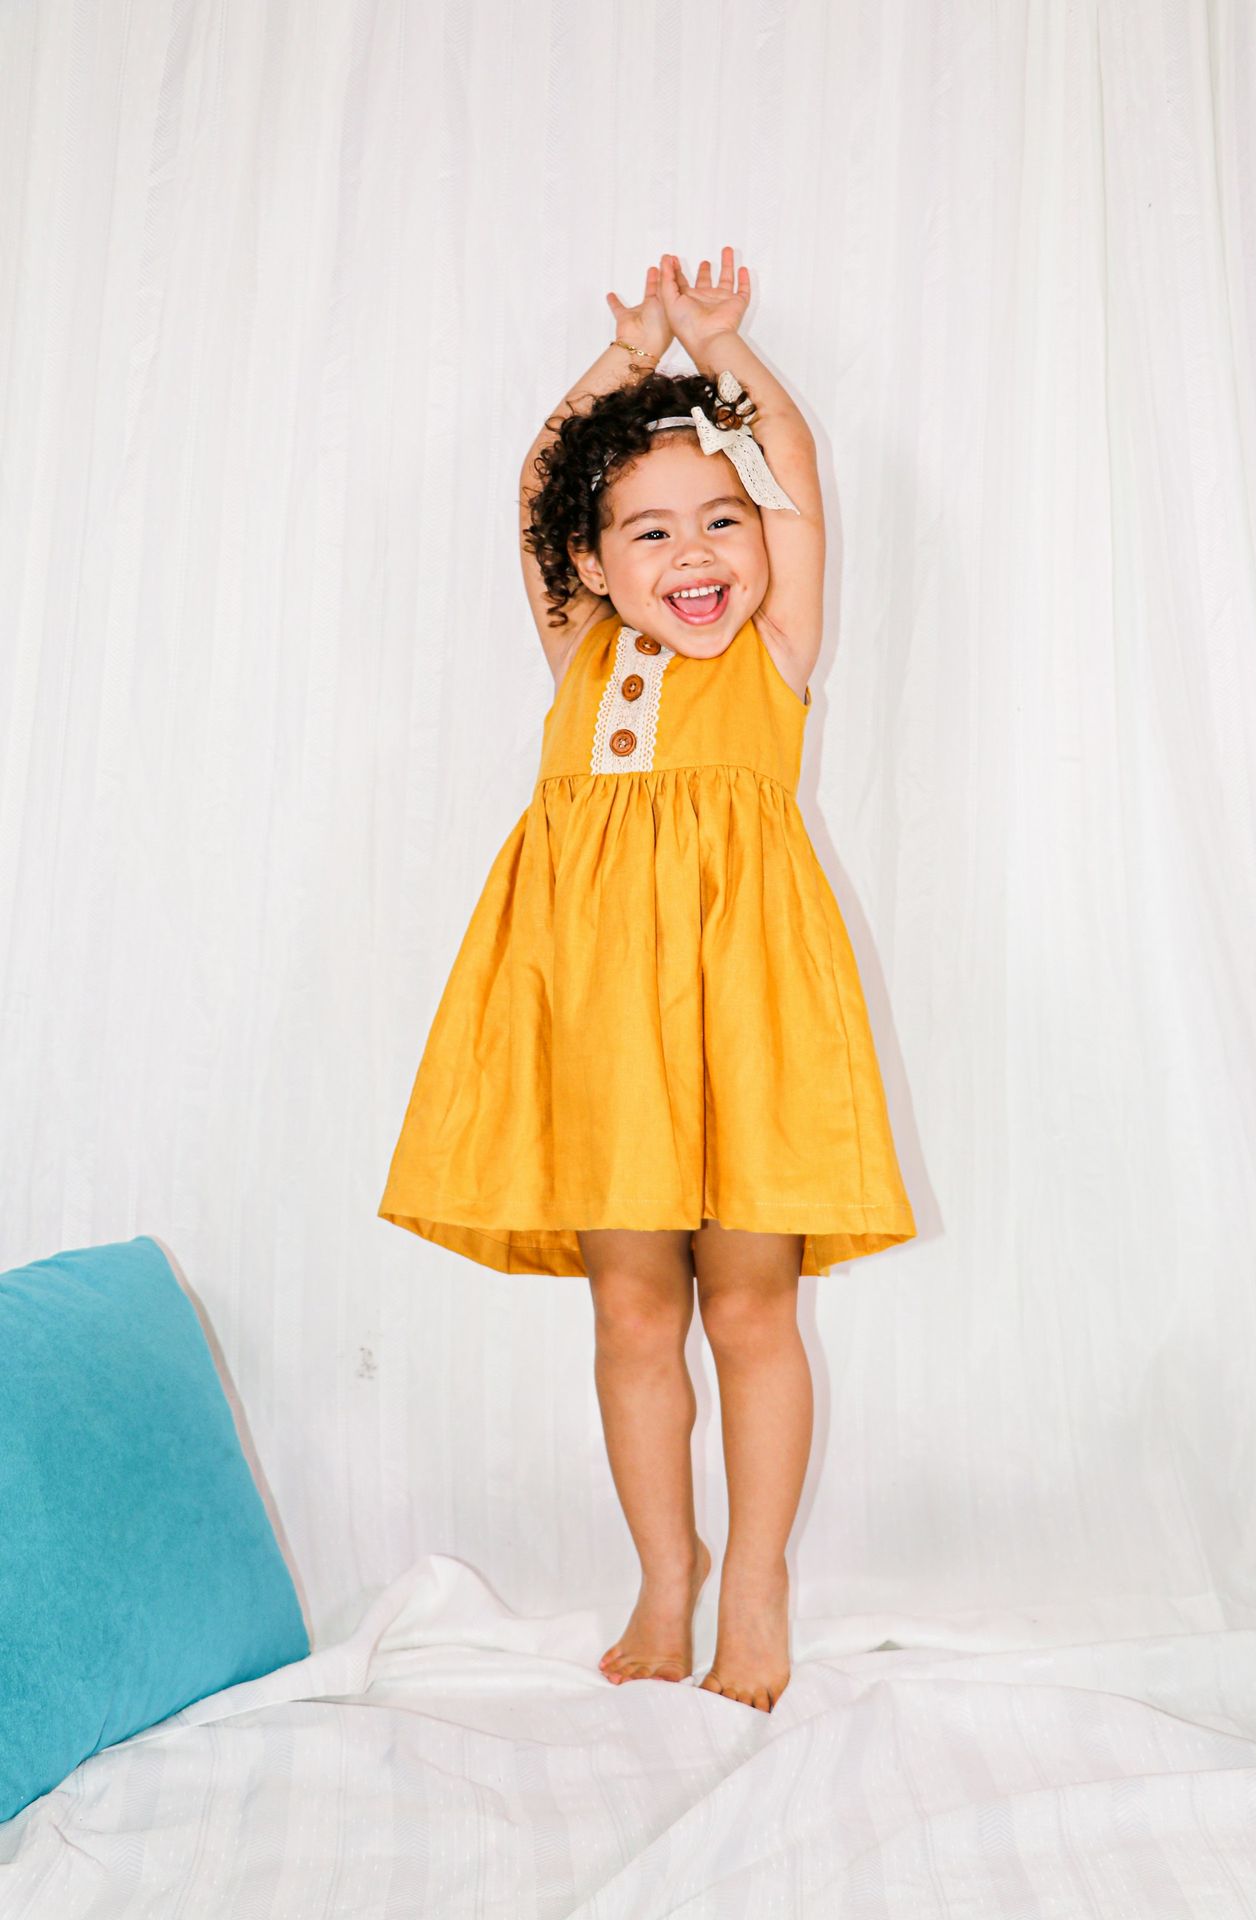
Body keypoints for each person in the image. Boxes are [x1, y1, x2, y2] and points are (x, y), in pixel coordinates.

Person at [379, 248, 916, 1712]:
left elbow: (791, 453)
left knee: (751, 1309)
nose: (696, 555)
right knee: (631, 1313)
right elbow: (549, 470)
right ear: (595, 567)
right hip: (608, 1024)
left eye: (721, 522)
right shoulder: (580, 650)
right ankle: (663, 1569)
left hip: (747, 1012)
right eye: (651, 532)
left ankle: (758, 1579)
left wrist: (719, 353)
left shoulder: (779, 654)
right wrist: (626, 361)